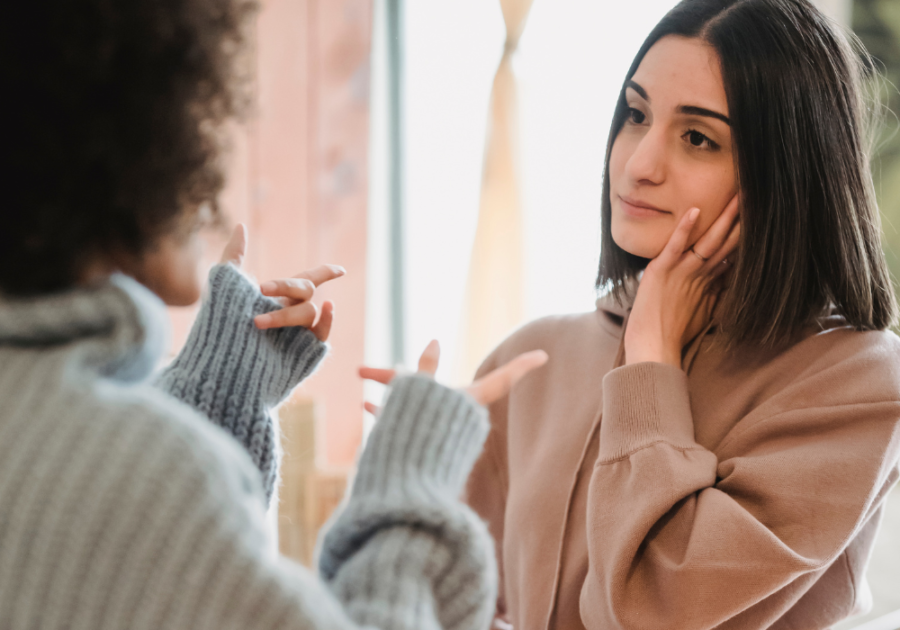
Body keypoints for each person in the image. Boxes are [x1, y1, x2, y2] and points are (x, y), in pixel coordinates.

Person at [0, 1, 548, 629]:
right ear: (128, 145)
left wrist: (220, 388)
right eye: (194, 128)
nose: (207, 182)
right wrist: (412, 480)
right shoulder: (149, 476)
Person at [465, 1, 900, 629]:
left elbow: (650, 613)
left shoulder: (855, 384)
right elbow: (434, 591)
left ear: (786, 174)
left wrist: (651, 362)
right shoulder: (532, 357)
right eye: (636, 115)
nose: (638, 164)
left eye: (697, 137)